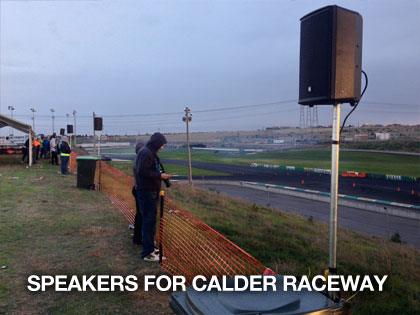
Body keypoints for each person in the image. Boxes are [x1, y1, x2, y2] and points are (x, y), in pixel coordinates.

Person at [134, 133, 172, 262]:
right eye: (162, 144)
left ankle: (150, 247)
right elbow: (142, 171)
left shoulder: (149, 152)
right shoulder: (146, 153)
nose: (162, 147)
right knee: (148, 221)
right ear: (156, 143)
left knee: (150, 221)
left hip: (150, 192)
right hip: (147, 192)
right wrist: (160, 176)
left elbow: (147, 170)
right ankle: (148, 253)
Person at [132, 142, 144, 246]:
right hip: (140, 190)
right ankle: (138, 239)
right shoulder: (140, 162)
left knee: (139, 214)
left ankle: (137, 238)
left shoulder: (137, 160)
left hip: (137, 189)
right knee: (141, 215)